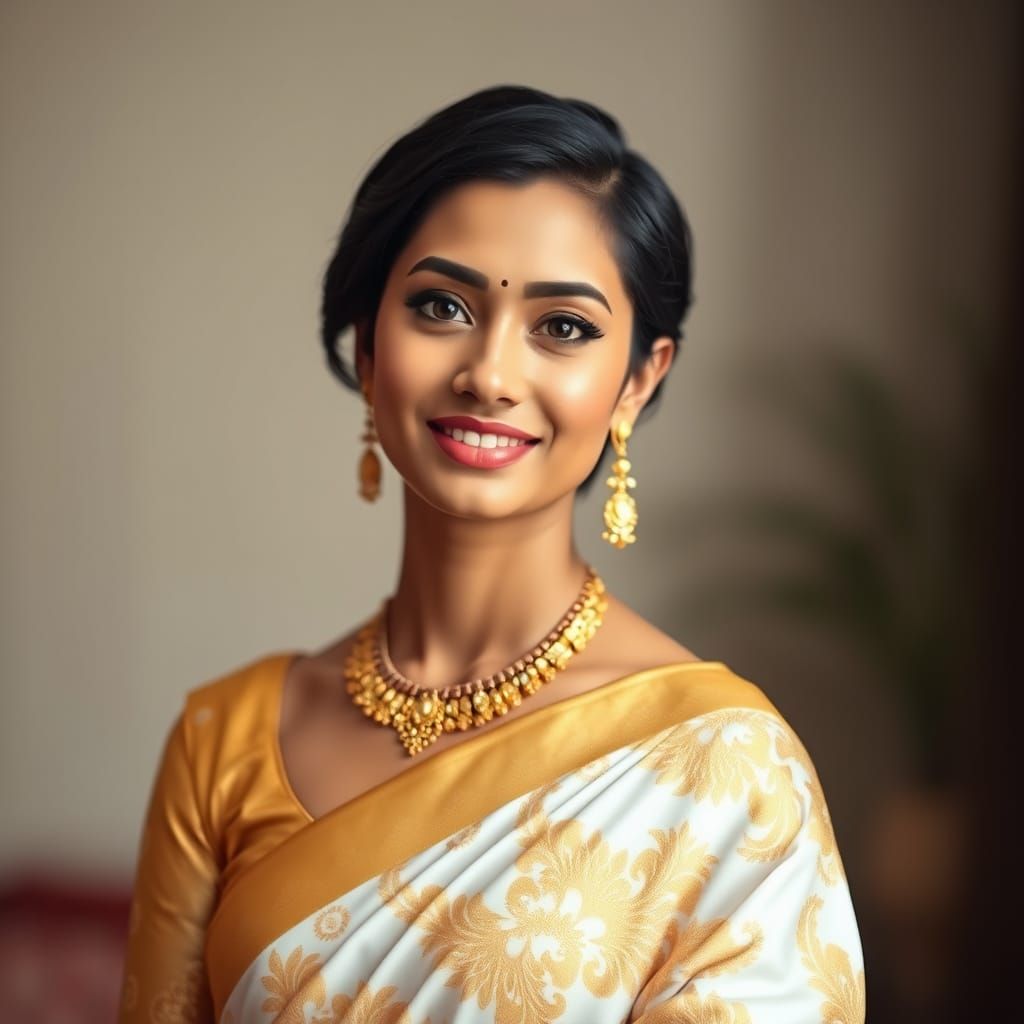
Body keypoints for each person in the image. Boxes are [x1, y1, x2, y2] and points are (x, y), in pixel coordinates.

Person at [118, 85, 865, 1023]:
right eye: (440, 305)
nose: (490, 374)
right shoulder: (222, 744)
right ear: (367, 347)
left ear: (638, 380)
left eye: (563, 328)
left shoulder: (729, 775)